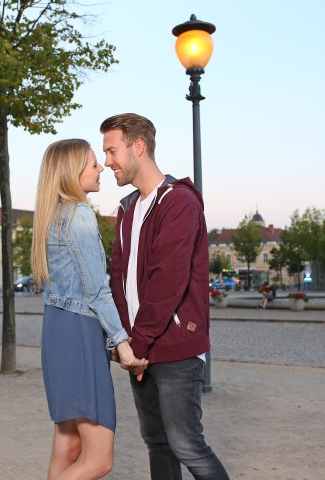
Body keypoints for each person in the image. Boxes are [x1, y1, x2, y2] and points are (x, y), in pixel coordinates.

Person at [100, 113, 230, 480]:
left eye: (112, 151)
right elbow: (118, 280)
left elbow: (167, 283)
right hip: (139, 349)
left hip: (175, 348)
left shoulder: (179, 203)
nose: (107, 161)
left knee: (187, 444)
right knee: (157, 444)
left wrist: (135, 346)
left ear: (137, 147)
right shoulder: (127, 209)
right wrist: (124, 341)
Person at [31, 138, 147, 480]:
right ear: (72, 171)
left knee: (67, 446)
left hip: (57, 331)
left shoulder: (53, 215)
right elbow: (97, 290)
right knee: (99, 460)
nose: (101, 169)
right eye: (93, 163)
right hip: (80, 334)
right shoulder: (78, 215)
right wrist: (122, 344)